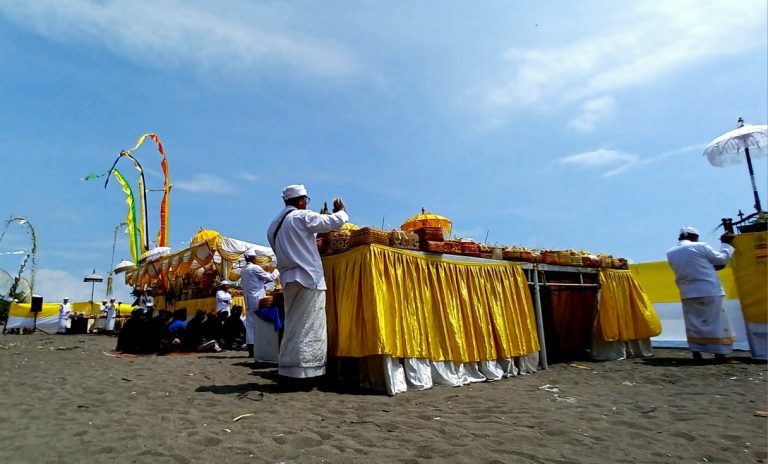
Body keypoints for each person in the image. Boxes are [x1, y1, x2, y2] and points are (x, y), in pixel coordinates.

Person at [267, 184, 348, 386]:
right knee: (310, 327)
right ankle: (307, 374)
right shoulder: (301, 216)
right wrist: (341, 211)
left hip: (289, 279)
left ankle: (287, 369)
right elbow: (333, 222)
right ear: (301, 200)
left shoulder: (274, 225)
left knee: (294, 324)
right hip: (308, 277)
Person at [666, 226, 736, 362]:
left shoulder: (671, 252)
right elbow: (721, 260)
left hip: (687, 292)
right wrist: (725, 243)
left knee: (694, 324)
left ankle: (697, 352)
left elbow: (694, 265)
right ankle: (719, 353)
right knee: (716, 323)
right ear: (694, 237)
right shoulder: (700, 246)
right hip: (709, 290)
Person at [241, 248, 280, 361]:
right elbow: (270, 277)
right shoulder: (255, 268)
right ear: (253, 258)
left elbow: (260, 280)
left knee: (250, 324)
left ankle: (251, 349)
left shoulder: (244, 270)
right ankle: (261, 347)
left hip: (248, 299)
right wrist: (277, 270)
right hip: (257, 298)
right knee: (260, 323)